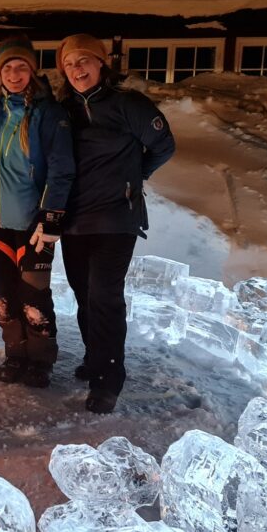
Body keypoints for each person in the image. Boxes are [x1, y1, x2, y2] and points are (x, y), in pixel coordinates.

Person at [56, 34, 175, 413]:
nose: (78, 70)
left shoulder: (128, 104)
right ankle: (95, 358)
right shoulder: (64, 110)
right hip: (75, 218)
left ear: (102, 64)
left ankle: (109, 377)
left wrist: (135, 176)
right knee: (82, 292)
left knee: (104, 294)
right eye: (70, 63)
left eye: (85, 61)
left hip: (115, 217)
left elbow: (163, 145)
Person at [0, 35, 74, 387]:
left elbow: (62, 167)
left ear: (32, 71)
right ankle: (15, 355)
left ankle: (41, 361)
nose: (14, 74)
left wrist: (51, 218)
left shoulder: (48, 113)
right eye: (8, 67)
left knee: (33, 297)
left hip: (35, 224)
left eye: (21, 67)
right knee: (4, 297)